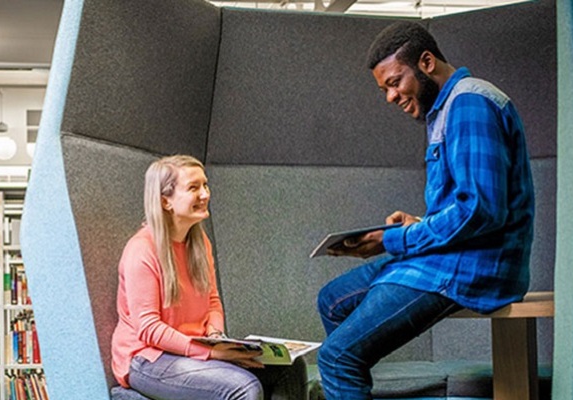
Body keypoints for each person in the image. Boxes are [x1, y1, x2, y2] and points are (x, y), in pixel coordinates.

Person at [315, 21, 535, 400]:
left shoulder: (470, 103)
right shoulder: (444, 109)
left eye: (395, 82)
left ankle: (349, 372)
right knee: (333, 300)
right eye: (384, 89)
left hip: (475, 266)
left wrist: (394, 240)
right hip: (451, 256)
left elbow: (481, 211)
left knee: (338, 358)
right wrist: (420, 224)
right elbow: (466, 204)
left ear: (427, 62)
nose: (390, 97)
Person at [111, 155, 307, 400]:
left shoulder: (199, 243)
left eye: (205, 185)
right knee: (243, 387)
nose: (205, 194)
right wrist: (212, 353)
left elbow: (212, 300)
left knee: (289, 367)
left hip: (194, 349)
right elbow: (149, 329)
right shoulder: (141, 250)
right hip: (148, 359)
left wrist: (215, 338)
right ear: (165, 201)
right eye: (193, 188)